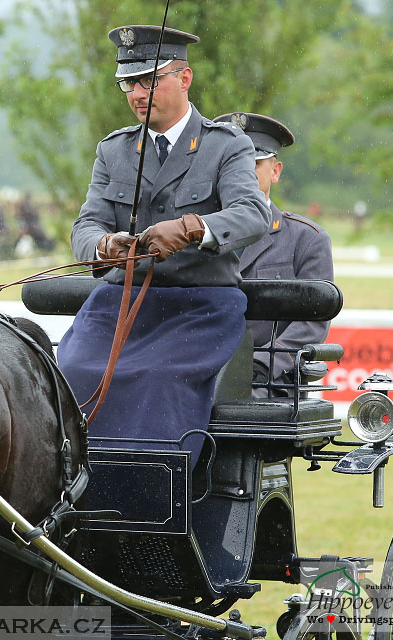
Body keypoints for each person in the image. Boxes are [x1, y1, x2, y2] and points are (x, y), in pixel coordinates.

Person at [57, 25, 270, 464]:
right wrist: (103, 245)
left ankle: (151, 499)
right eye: (128, 83)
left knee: (158, 379)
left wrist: (192, 227)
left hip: (200, 307)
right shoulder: (113, 150)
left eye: (150, 80)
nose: (137, 92)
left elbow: (254, 215)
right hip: (120, 301)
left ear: (185, 78)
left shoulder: (226, 145)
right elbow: (86, 225)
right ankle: (71, 493)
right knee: (72, 371)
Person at [214, 112, 334, 397]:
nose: (241, 173)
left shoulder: (307, 240)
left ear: (275, 171)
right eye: (231, 164)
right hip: (196, 373)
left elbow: (311, 322)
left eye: (253, 164)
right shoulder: (190, 233)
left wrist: (259, 365)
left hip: (271, 384)